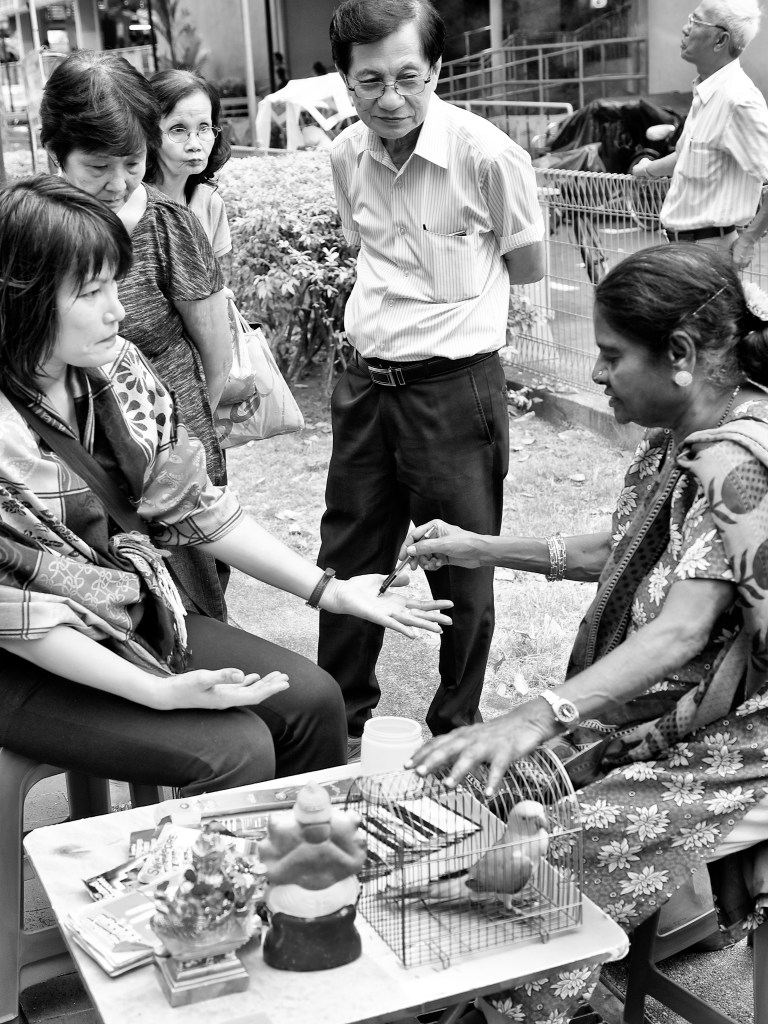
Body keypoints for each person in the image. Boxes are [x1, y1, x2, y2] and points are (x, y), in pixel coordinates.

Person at [404, 243, 768, 1023]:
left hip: (748, 735)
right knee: (474, 786)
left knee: (553, 852)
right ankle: (495, 984)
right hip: (668, 715)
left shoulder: (740, 462)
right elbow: (624, 547)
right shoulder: (678, 440)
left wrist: (541, 713)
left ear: (680, 354)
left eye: (609, 355)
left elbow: (680, 633)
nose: (597, 375)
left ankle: (526, 1003)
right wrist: (480, 548)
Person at [0, 177, 452, 798]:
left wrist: (333, 591)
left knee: (315, 700)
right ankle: (215, 892)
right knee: (235, 750)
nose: (119, 309)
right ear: (21, 299)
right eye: (91, 290)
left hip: (124, 614)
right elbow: (15, 613)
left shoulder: (117, 367)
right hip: (21, 653)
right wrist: (157, 693)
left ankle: (302, 883)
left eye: (115, 284)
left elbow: (195, 505)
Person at [318, 0, 545, 755]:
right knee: (348, 558)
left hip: (455, 392)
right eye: (370, 80)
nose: (390, 99)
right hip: (363, 387)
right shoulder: (346, 155)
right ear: (345, 81)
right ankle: (338, 724)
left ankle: (456, 729)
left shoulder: (486, 155)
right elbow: (369, 257)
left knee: (462, 565)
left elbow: (530, 265)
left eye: (409, 78)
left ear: (438, 71)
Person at [40, 51, 232, 620]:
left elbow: (214, 351)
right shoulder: (36, 230)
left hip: (168, 431)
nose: (118, 183)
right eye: (97, 166)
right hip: (77, 445)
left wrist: (185, 429)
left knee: (194, 577)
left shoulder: (171, 223)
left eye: (132, 161)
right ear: (58, 155)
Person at [632, 1, 768, 270]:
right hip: (683, 248)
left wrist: (749, 240)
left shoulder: (738, 100)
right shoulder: (706, 92)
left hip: (708, 252)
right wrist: (646, 170)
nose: (685, 29)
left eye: (695, 22)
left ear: (720, 40)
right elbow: (686, 156)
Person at [145, 68, 233, 261]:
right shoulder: (130, 205)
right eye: (178, 129)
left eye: (204, 128)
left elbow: (216, 283)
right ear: (150, 135)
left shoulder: (210, 203)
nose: (195, 145)